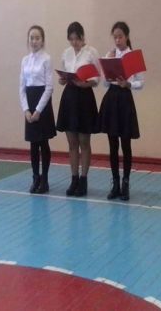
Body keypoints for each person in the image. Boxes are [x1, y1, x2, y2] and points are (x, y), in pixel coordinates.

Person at [98, 22, 143, 201]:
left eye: (120, 37)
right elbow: (104, 83)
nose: (117, 40)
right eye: (115, 37)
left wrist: (129, 83)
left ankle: (125, 183)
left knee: (125, 143)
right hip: (112, 97)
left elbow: (141, 83)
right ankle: (115, 182)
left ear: (126, 36)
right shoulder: (110, 54)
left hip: (125, 98)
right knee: (112, 144)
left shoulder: (133, 56)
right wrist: (106, 64)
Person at [56, 22, 100, 197]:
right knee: (72, 142)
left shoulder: (91, 52)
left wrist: (85, 83)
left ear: (83, 37)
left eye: (77, 39)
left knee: (84, 142)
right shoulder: (66, 53)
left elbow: (96, 79)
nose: (74, 42)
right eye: (71, 39)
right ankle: (73, 178)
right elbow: (65, 74)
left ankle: (84, 179)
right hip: (69, 97)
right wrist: (62, 80)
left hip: (84, 98)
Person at [19, 25, 57, 193]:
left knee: (43, 143)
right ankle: (35, 177)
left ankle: (45, 179)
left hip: (42, 104)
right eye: (31, 38)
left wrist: (38, 110)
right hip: (30, 102)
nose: (34, 41)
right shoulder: (25, 60)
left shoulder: (46, 59)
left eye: (37, 38)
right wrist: (26, 109)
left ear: (42, 40)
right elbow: (21, 87)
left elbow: (49, 87)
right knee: (33, 144)